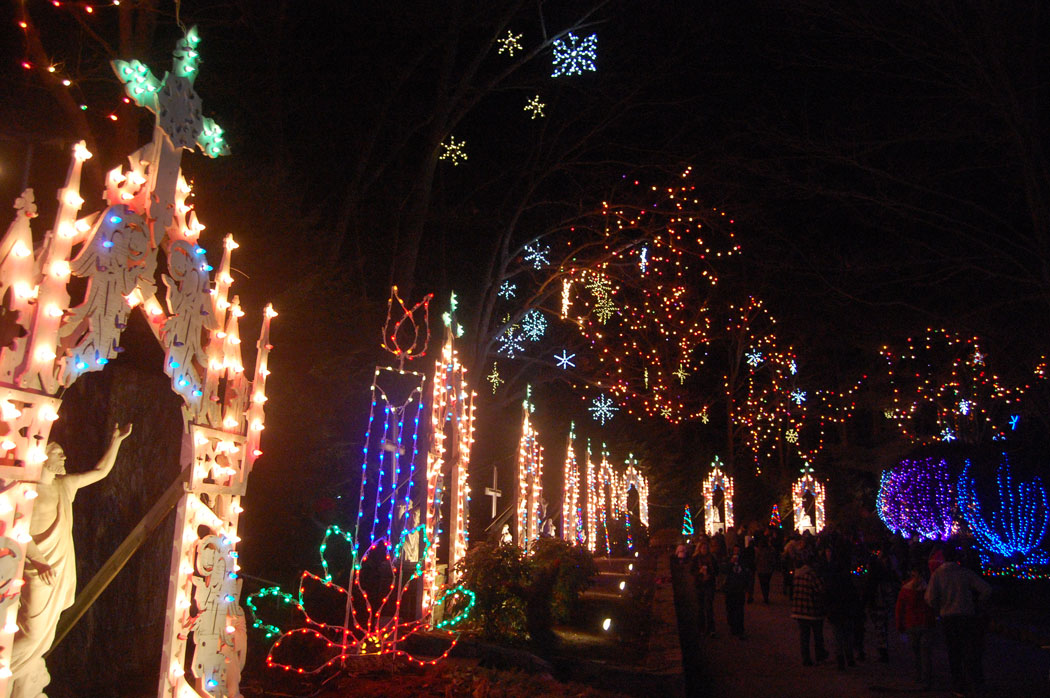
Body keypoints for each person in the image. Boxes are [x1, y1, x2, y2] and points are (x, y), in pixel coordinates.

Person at [10, 424, 133, 698]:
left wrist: (116, 441)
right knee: (31, 634)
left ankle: (21, 684)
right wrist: (40, 562)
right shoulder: (25, 491)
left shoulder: (64, 485)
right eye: (58, 453)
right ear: (42, 456)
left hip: (59, 569)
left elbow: (101, 472)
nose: (64, 459)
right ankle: (6, 671)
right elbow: (19, 532)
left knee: (44, 638)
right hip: (37, 569)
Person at [925, 547, 991, 697]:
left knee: (953, 651)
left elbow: (929, 598)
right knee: (969, 649)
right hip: (967, 615)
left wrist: (939, 605)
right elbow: (986, 589)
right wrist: (977, 602)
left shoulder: (938, 575)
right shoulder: (964, 573)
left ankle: (959, 684)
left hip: (948, 617)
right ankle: (975, 681)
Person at [896, 563, 936, 690]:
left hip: (911, 623)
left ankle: (918, 675)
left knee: (916, 652)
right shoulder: (928, 588)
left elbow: (900, 609)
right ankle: (927, 679)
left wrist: (900, 625)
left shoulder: (905, 589)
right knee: (926, 653)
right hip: (926, 623)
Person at [824, 547, 860, 671]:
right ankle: (849, 658)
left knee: (838, 636)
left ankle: (840, 660)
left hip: (836, 612)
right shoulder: (847, 581)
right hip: (846, 611)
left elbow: (827, 595)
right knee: (847, 636)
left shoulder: (832, 580)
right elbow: (853, 595)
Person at [790, 555, 828, 666]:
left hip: (799, 610)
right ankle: (819, 654)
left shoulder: (797, 575)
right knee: (817, 634)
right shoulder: (812, 575)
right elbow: (820, 589)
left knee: (804, 636)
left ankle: (806, 658)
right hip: (812, 609)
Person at [721, 544, 749, 638]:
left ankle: (740, 629)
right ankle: (732, 625)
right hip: (730, 588)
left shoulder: (743, 561)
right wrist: (730, 563)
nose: (736, 552)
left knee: (739, 609)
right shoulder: (728, 559)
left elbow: (746, 573)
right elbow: (724, 570)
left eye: (738, 550)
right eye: (735, 550)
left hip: (739, 588)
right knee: (731, 608)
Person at [692, 540, 718, 637]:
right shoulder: (696, 559)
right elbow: (692, 571)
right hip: (699, 584)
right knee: (700, 607)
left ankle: (711, 628)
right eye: (703, 548)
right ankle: (701, 628)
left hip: (709, 584)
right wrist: (699, 572)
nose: (704, 550)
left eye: (706, 548)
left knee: (709, 607)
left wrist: (710, 574)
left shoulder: (711, 558)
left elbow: (716, 570)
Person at [754, 534, 777, 603]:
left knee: (762, 583)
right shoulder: (770, 550)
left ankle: (765, 596)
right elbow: (773, 559)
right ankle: (766, 596)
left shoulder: (759, 551)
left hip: (761, 569)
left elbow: (756, 559)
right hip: (768, 569)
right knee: (767, 583)